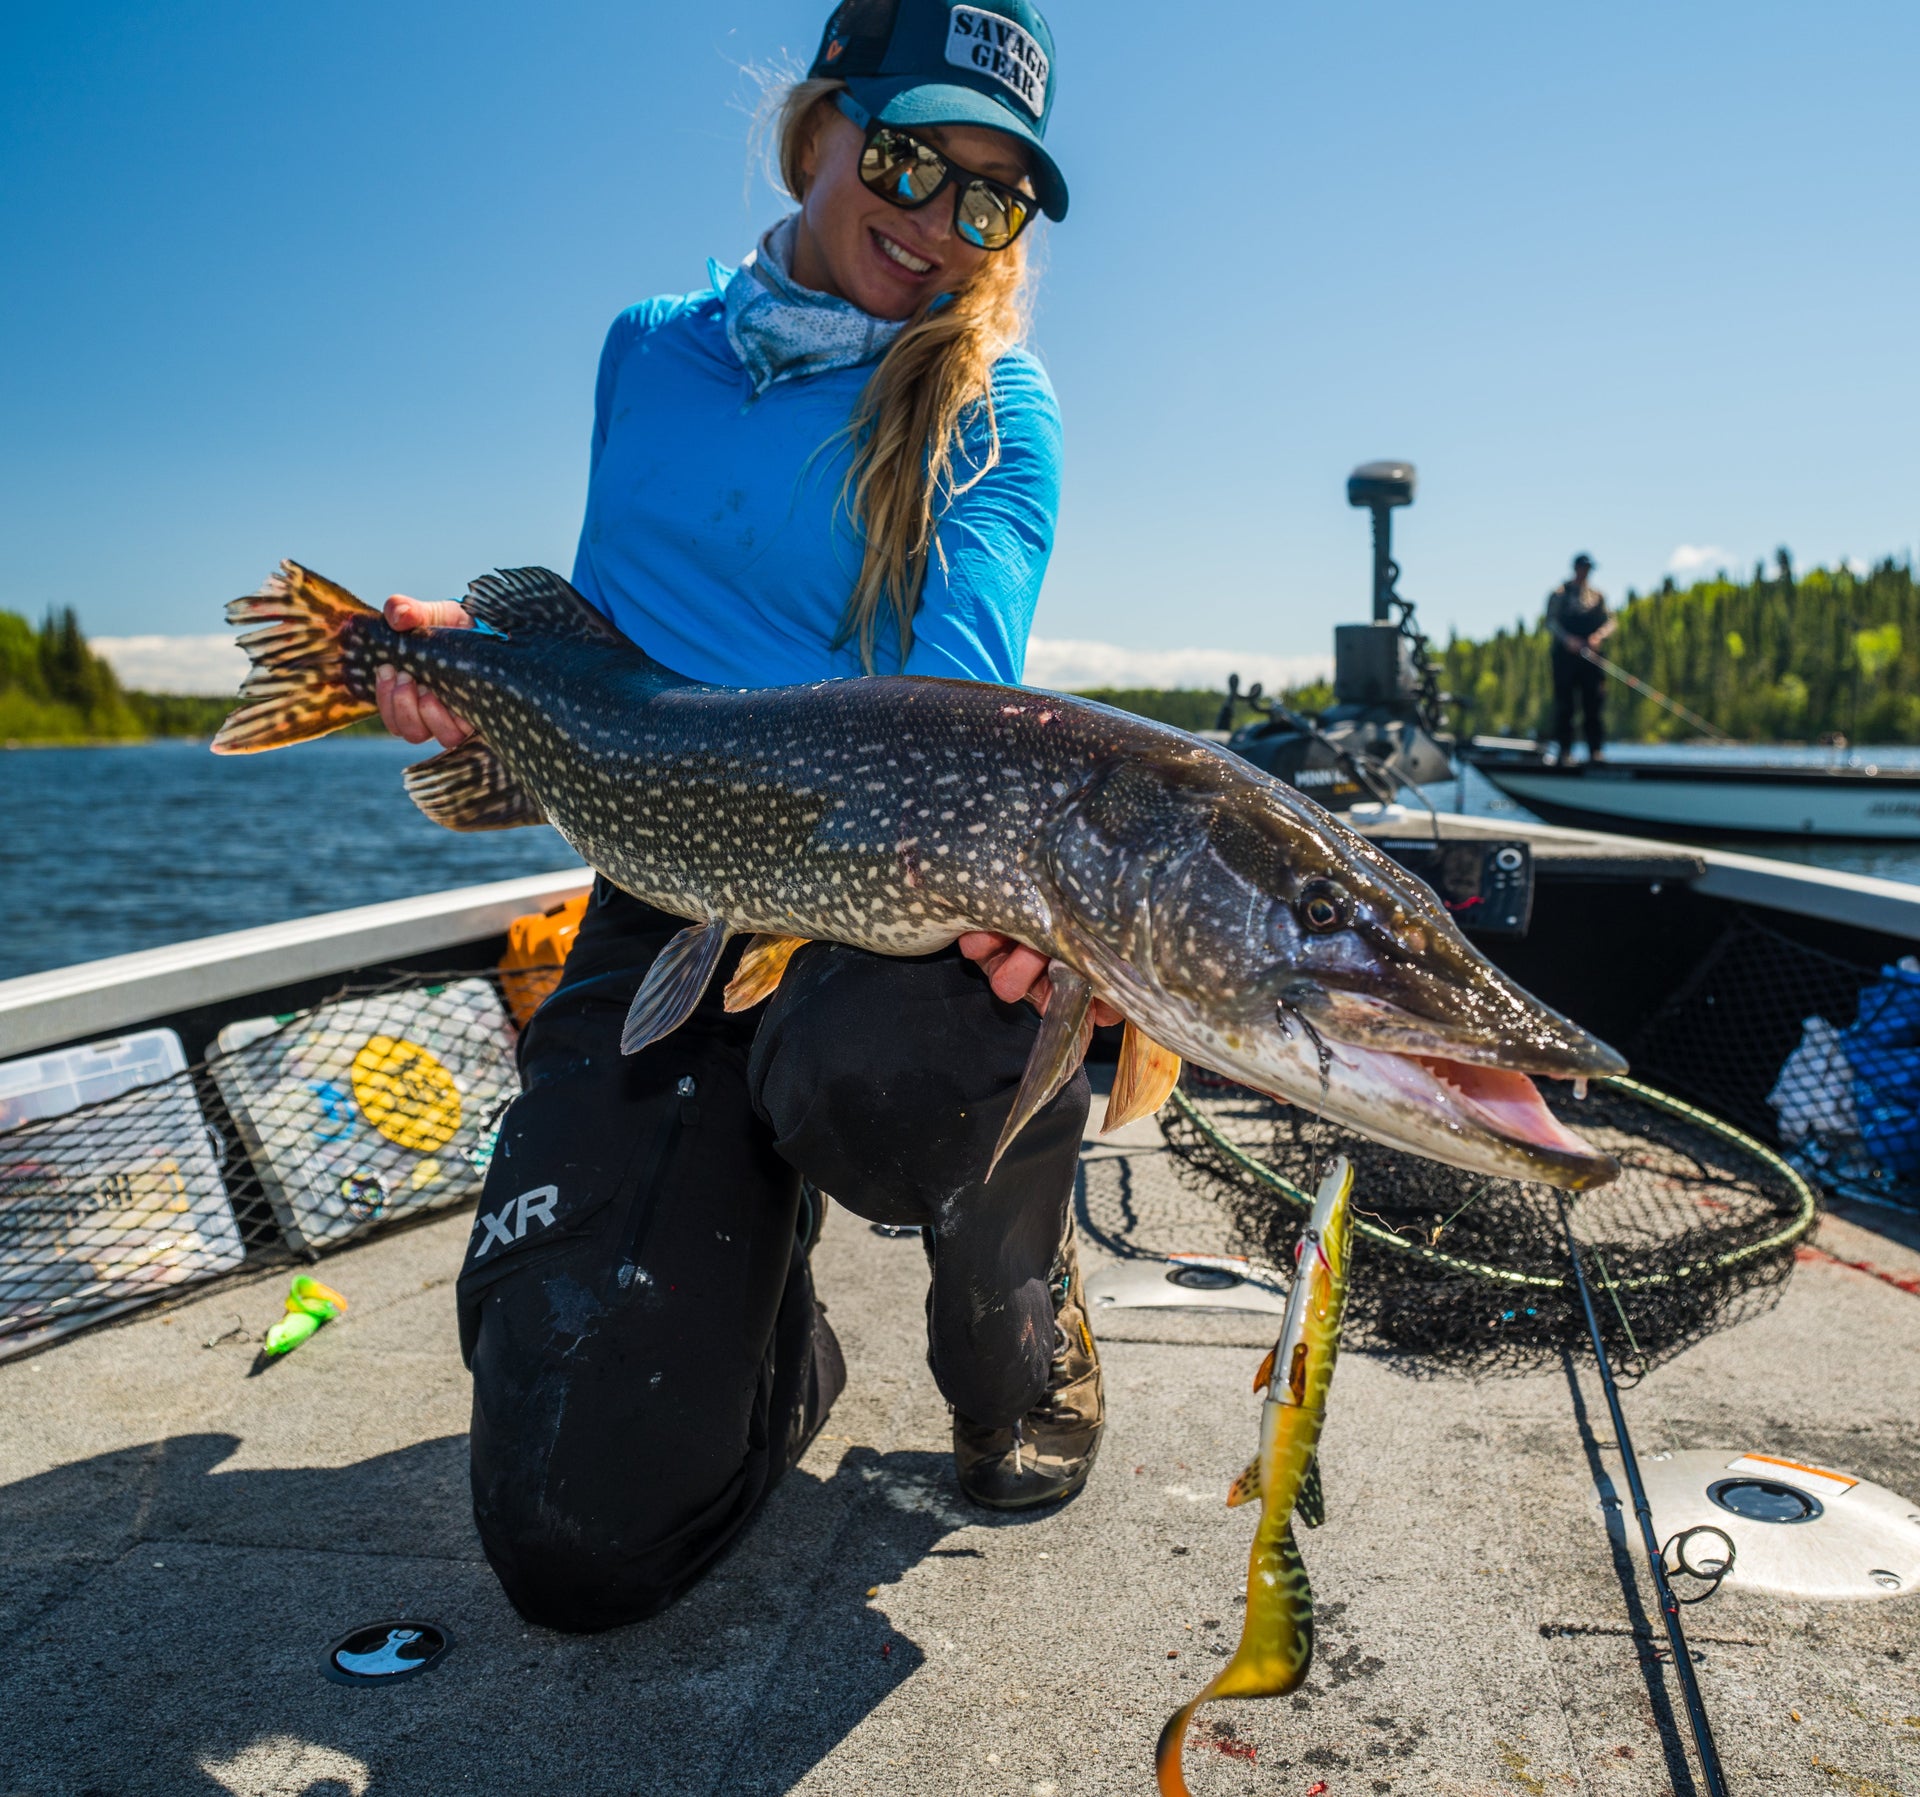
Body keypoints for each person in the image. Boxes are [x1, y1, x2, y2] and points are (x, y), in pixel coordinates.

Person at [371, 0, 1110, 1634]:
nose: (938, 226)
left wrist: (1038, 935)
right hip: (673, 882)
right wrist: (483, 676)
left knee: (916, 1071)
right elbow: (619, 644)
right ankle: (767, 1336)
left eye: (990, 198)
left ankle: (1020, 1310)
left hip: (890, 887)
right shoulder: (650, 347)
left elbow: (955, 722)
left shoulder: (1001, 408)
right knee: (574, 1533)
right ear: (816, 131)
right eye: (911, 161)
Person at [1546, 552, 1614, 762]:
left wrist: (1597, 637)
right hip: (1565, 659)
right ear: (1575, 569)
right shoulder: (1559, 594)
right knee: (1565, 706)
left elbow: (1611, 622)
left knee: (1593, 705)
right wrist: (1568, 640)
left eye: (1588, 569)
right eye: (1583, 568)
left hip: (1592, 659)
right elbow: (1550, 622)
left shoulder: (1597, 596)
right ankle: (1564, 752)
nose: (1585, 573)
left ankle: (1595, 752)